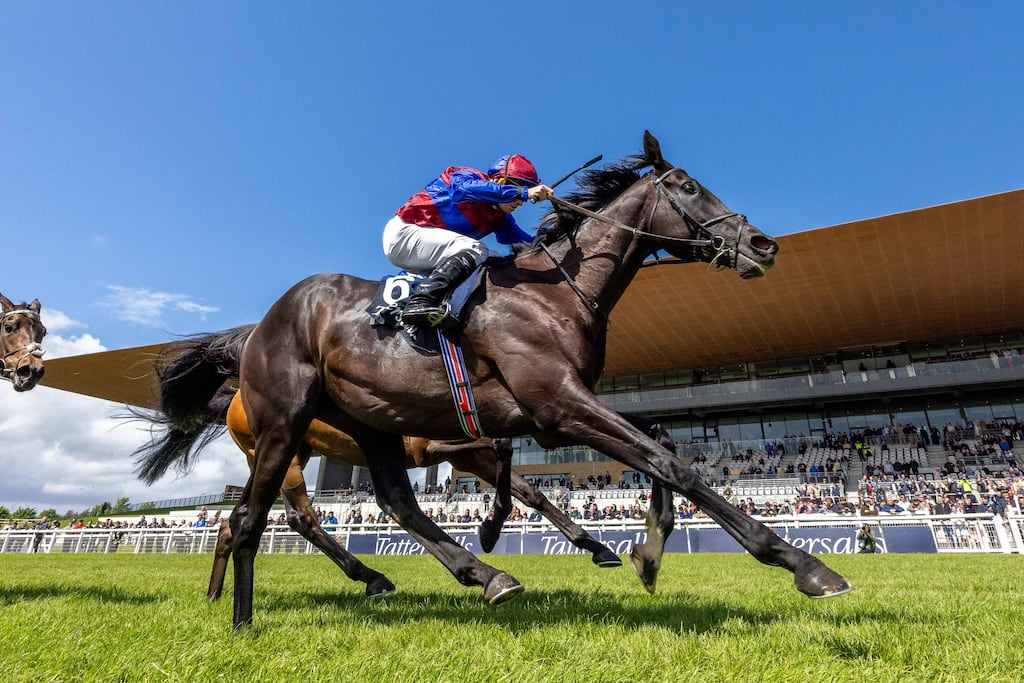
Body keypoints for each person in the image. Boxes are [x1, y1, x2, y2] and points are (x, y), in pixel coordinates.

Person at [383, 154, 554, 328]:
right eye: (519, 187)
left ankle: (452, 310)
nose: (520, 202)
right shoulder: (464, 176)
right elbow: (461, 191)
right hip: (405, 234)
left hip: (424, 253)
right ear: (498, 180)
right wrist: (523, 193)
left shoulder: (500, 217)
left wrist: (555, 239)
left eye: (525, 191)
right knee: (475, 249)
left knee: (494, 261)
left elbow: (522, 241)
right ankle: (421, 301)